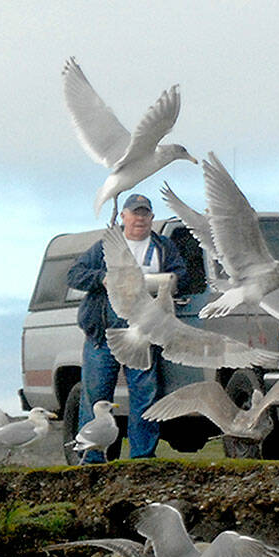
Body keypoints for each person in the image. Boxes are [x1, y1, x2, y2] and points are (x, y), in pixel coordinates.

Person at [67, 193, 188, 460]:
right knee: (96, 398)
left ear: (151, 218)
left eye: (145, 214)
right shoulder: (103, 247)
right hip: (103, 334)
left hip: (142, 335)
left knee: (145, 396)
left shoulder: (163, 248)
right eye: (135, 213)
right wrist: (103, 278)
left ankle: (141, 460)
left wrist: (170, 281)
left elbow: (183, 274)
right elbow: (73, 274)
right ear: (123, 216)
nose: (140, 219)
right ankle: (91, 460)